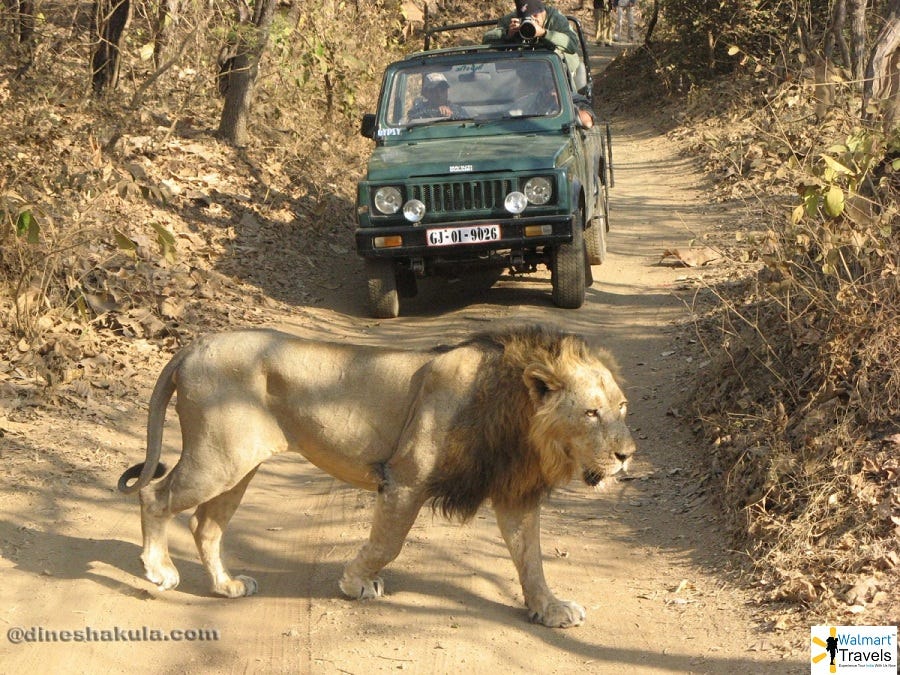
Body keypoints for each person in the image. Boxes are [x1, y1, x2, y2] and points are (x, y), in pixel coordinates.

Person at [483, 1, 583, 90]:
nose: (532, 19)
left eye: (535, 15)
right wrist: (508, 33)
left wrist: (544, 33)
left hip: (558, 69)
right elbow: (486, 39)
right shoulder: (513, 18)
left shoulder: (556, 19)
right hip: (526, 70)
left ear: (542, 11)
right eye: (527, 17)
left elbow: (572, 44)